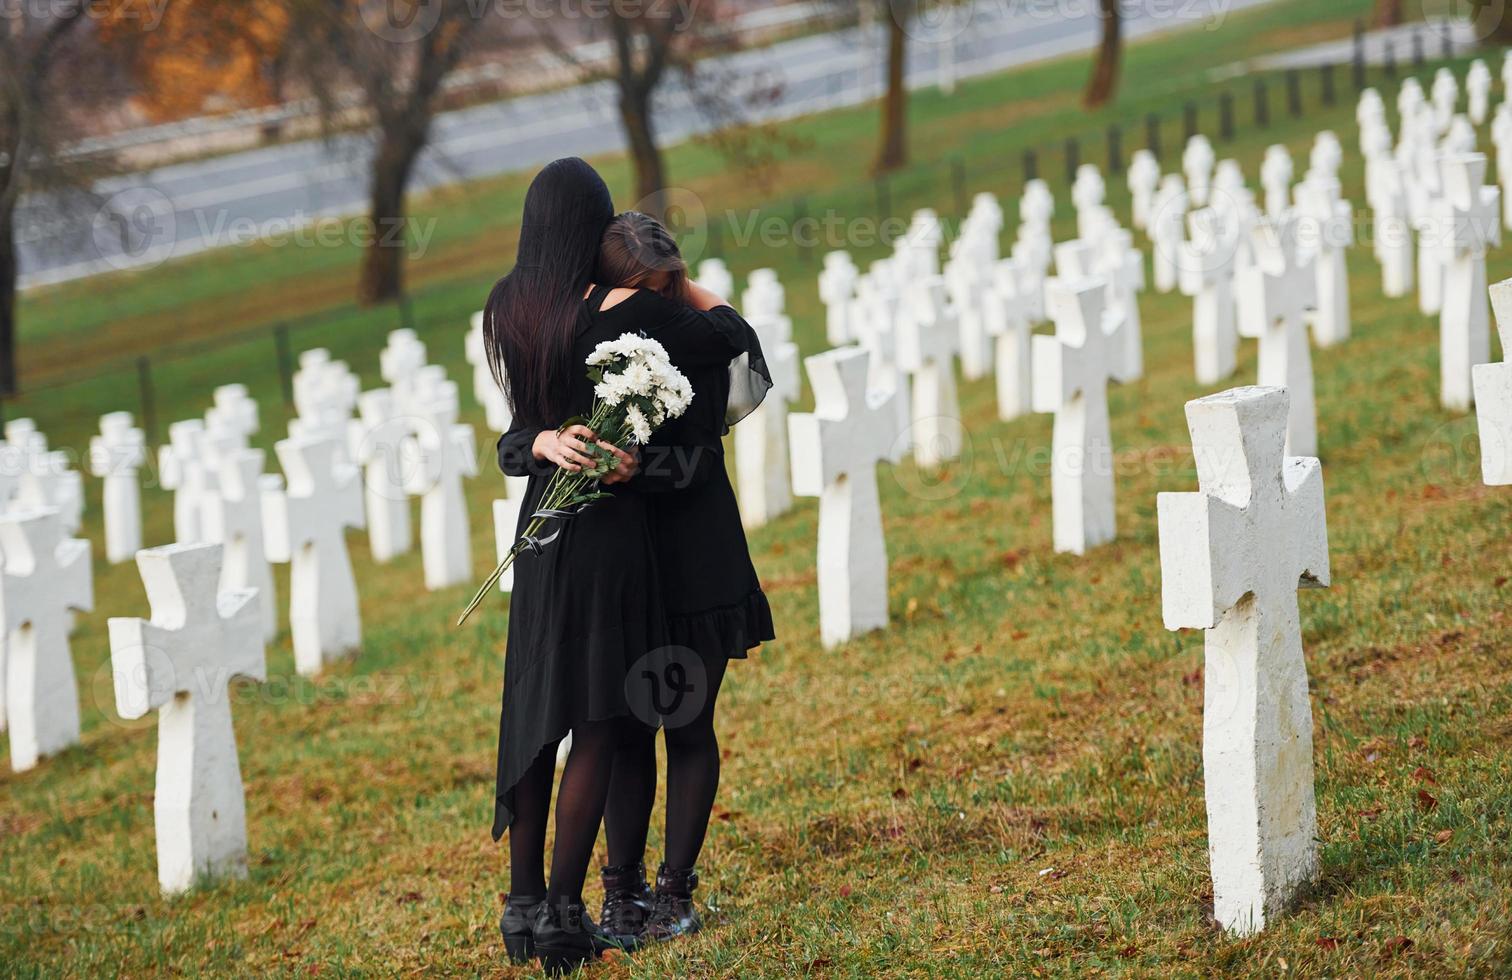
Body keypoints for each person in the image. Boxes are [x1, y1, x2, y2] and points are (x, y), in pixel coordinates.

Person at [496, 210, 775, 951]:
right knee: (622, 732)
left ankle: (675, 891)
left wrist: (639, 467)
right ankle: (622, 895)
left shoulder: (689, 342)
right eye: (639, 294)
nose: (645, 311)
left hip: (693, 554)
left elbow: (701, 457)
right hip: (627, 567)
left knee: (685, 724)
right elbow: (522, 431)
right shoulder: (586, 339)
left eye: (662, 293)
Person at [484, 158, 654, 976]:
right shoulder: (609, 307)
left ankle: (521, 907)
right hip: (602, 526)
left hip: (541, 536)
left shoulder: (509, 304)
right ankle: (560, 912)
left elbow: (515, 436)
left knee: (535, 704)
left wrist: (543, 440)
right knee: (595, 719)